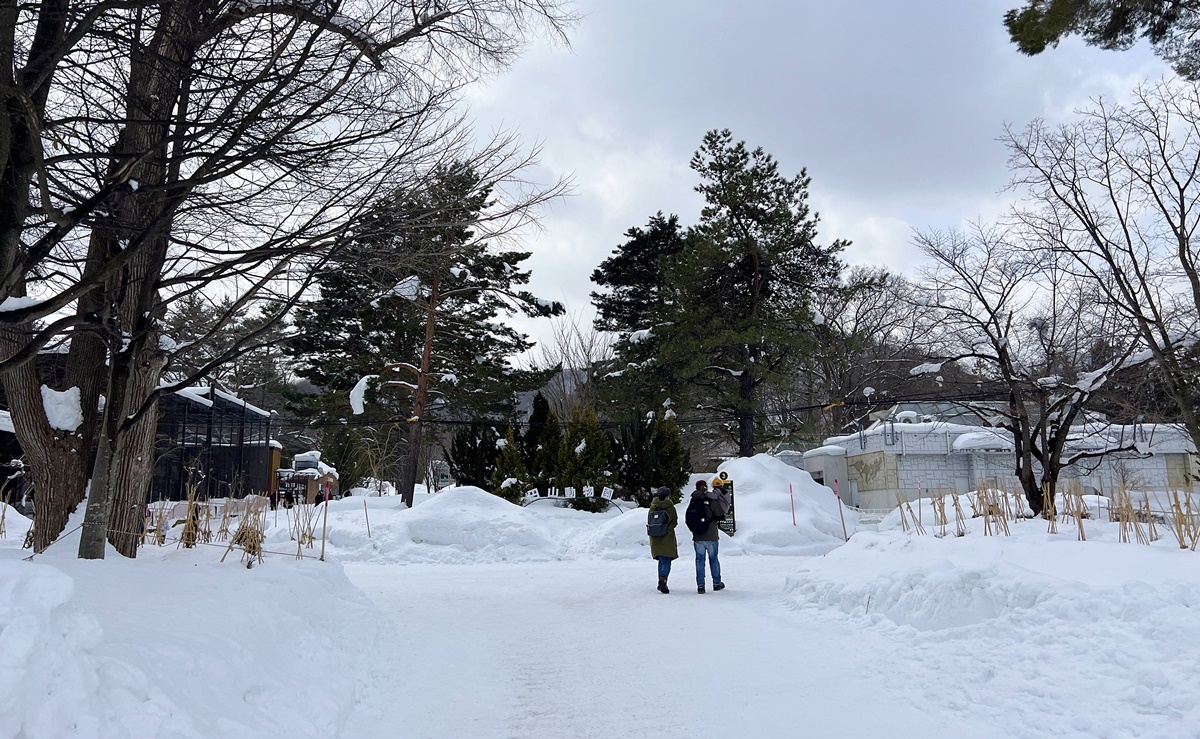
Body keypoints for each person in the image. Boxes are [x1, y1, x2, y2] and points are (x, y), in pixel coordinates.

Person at [686, 479, 731, 593]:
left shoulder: (693, 501)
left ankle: (700, 585)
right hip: (711, 534)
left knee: (700, 560)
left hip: (698, 536)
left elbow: (688, 518)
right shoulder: (711, 499)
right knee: (713, 559)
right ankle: (716, 583)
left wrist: (695, 529)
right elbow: (720, 515)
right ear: (705, 487)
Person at [648, 487, 678, 593]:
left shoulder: (653, 506)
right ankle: (663, 580)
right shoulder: (670, 507)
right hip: (667, 536)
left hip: (655, 536)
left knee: (661, 560)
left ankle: (660, 580)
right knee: (666, 559)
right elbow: (674, 522)